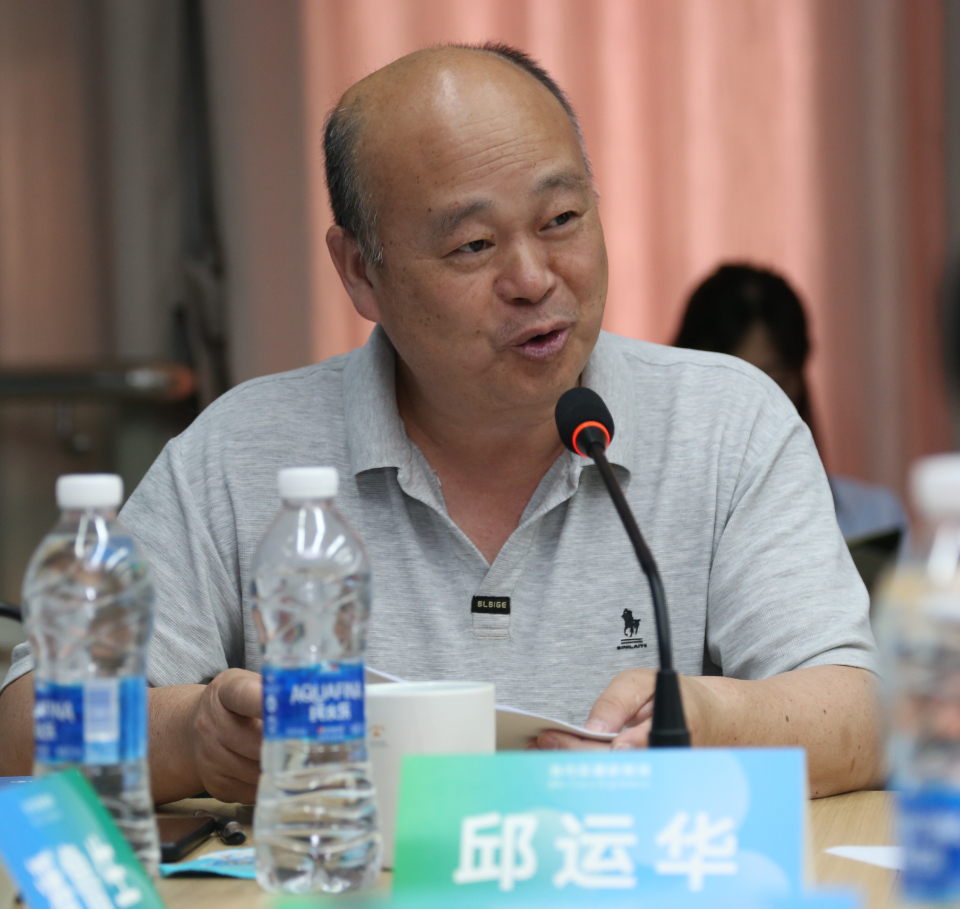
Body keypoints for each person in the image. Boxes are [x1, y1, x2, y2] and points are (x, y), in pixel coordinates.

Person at [0, 43, 883, 804]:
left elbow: (863, 715)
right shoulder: (242, 452)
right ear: (360, 272)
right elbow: (23, 726)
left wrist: (707, 720)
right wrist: (191, 737)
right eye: (473, 246)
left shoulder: (727, 422)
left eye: (562, 219)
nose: (534, 278)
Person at [673, 264, 909, 544]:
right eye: (731, 384)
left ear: (798, 383)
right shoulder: (650, 526)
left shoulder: (873, 518)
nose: (751, 408)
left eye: (773, 382)